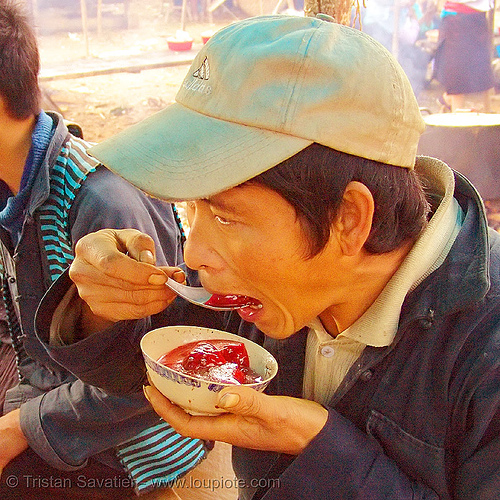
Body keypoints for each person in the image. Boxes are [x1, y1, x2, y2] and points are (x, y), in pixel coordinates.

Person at [34, 14, 499, 500]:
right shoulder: (258, 284)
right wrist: (102, 305)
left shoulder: (484, 353)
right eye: (192, 209)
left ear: (349, 219)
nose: (193, 251)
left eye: (226, 217)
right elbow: (142, 365)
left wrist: (322, 450)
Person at [0, 1, 216, 498]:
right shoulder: (13, 193)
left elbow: (149, 378)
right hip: (51, 393)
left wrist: (20, 427)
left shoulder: (103, 205)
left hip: (135, 441)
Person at [433, 0, 495, 111]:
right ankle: (456, 117)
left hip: (477, 16)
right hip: (457, 19)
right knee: (457, 75)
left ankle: (447, 99)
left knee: (479, 71)